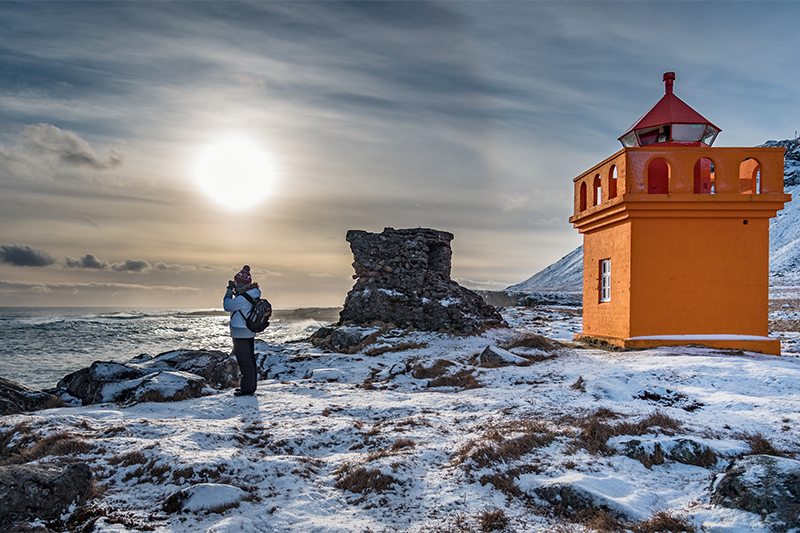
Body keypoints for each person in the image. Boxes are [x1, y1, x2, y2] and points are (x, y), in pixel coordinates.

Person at [223, 265, 261, 397]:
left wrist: (229, 291)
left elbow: (227, 306)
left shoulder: (243, 297)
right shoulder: (251, 294)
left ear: (240, 283)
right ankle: (249, 387)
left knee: (244, 361)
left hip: (240, 331)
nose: (234, 283)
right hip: (248, 330)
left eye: (236, 282)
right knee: (249, 360)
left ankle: (247, 389)